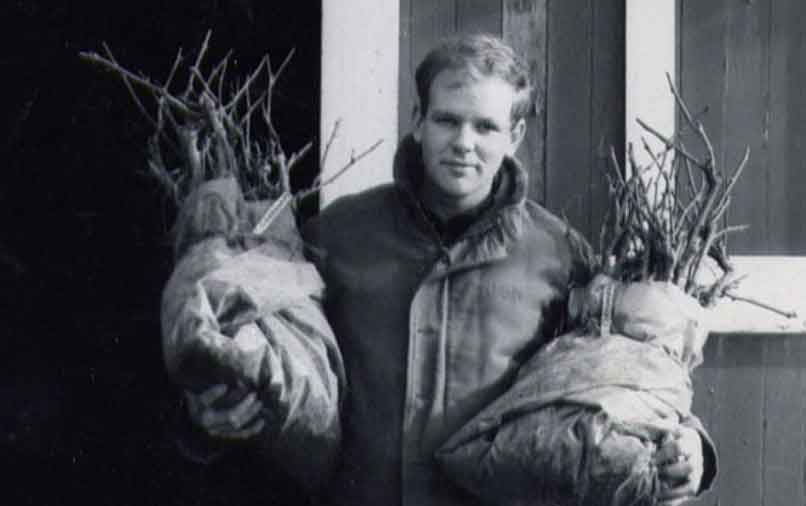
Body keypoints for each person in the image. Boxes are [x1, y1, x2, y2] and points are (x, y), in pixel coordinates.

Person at [178, 34, 716, 506]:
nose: (464, 142)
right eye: (447, 120)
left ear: (516, 135)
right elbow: (269, 353)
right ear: (417, 121)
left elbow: (618, 379)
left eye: (485, 126)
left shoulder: (561, 257)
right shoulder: (336, 235)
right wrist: (207, 415)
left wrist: (688, 447)